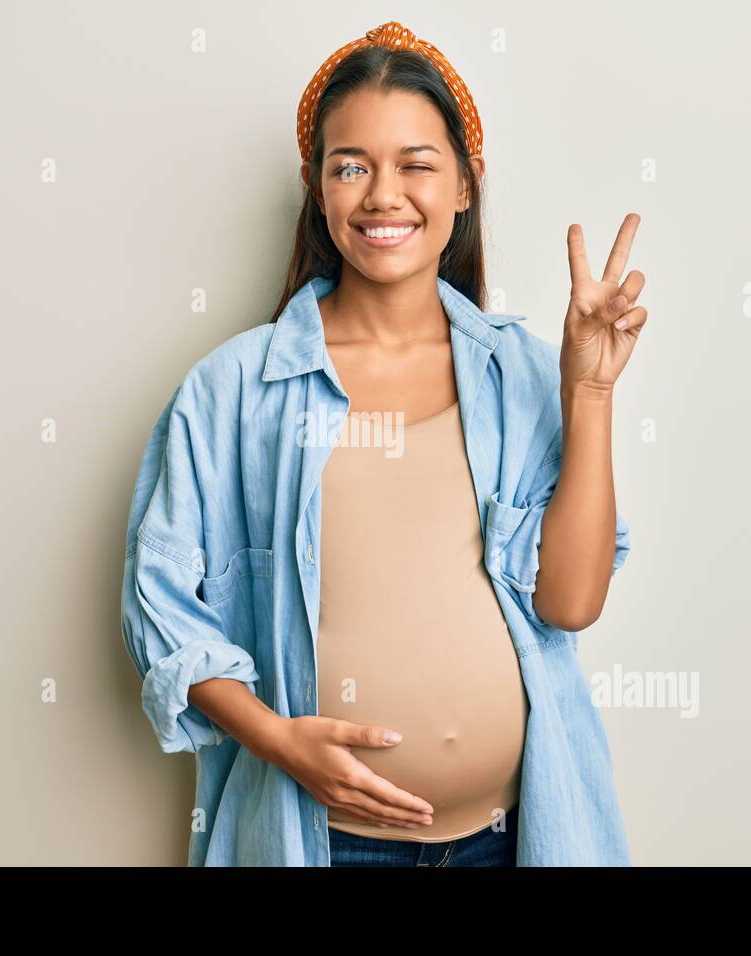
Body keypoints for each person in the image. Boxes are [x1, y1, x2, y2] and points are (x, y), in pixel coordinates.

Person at [120, 20, 650, 867]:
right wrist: (277, 742)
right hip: (324, 841)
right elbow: (161, 603)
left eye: (416, 164)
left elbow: (570, 605)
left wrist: (587, 389)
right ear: (317, 187)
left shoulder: (521, 374)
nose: (382, 195)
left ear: (465, 187)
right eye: (351, 166)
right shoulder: (232, 390)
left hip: (515, 840)